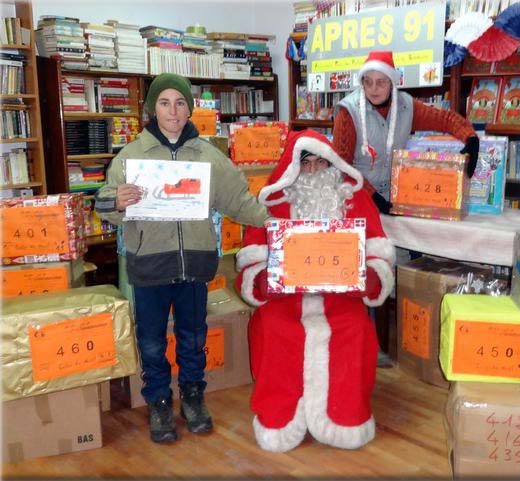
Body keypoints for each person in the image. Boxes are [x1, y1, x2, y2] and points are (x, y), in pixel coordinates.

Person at [95, 73, 269, 443]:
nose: (173, 111)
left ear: (190, 107)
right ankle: (158, 401)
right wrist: (117, 202)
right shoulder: (131, 156)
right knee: (153, 341)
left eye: (179, 102)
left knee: (193, 338)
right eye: (164, 102)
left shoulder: (209, 156)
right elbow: (103, 205)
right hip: (150, 264)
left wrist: (276, 222)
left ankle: (193, 396)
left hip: (195, 263)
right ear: (151, 108)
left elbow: (238, 201)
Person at [235, 129, 395, 452]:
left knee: (354, 328)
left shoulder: (354, 197)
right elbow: (249, 265)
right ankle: (282, 417)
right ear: (292, 168)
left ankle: (346, 415)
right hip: (286, 302)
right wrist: (265, 281)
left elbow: (379, 255)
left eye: (319, 162)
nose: (312, 171)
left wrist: (371, 279)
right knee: (275, 328)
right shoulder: (273, 204)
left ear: (332, 163)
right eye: (304, 164)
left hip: (341, 301)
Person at [332, 50, 480, 214]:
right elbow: (341, 166)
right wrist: (372, 196)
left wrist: (471, 137)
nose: (374, 89)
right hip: (356, 199)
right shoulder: (348, 112)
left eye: (381, 82)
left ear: (392, 83)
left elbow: (445, 119)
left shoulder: (406, 106)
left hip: (395, 199)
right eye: (368, 82)